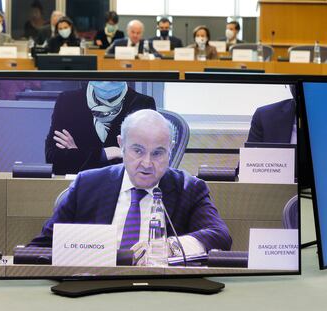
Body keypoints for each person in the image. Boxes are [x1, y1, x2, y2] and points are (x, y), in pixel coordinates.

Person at [30, 110, 232, 265]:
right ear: (122, 145)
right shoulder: (88, 184)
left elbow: (220, 236)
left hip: (162, 292)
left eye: (158, 153)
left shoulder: (189, 188)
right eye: (138, 150)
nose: (146, 163)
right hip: (95, 286)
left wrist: (170, 247)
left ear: (170, 150)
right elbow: (42, 247)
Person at [45, 81, 156, 175]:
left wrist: (78, 154)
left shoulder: (143, 103)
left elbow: (144, 159)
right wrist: (108, 153)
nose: (106, 81)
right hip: (78, 186)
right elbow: (53, 156)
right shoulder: (68, 100)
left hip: (121, 188)